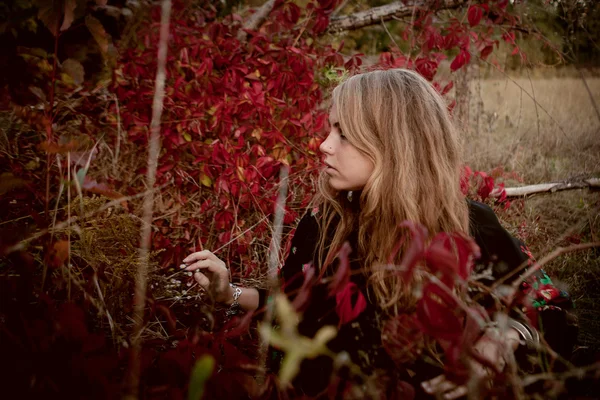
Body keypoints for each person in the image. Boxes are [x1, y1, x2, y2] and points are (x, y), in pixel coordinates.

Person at [181, 69, 576, 398]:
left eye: (344, 134)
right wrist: (227, 292)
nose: (323, 145)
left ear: (395, 144)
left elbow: (546, 305)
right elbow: (291, 304)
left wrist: (500, 338)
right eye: (329, 129)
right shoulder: (322, 225)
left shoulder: (469, 226)